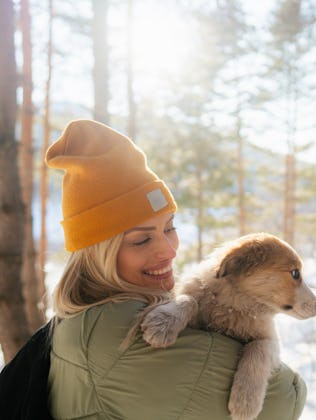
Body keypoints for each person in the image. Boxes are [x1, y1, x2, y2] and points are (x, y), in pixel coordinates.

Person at [46, 119, 306, 420]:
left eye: (170, 227)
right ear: (97, 255)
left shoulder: (82, 318)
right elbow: (284, 397)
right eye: (142, 240)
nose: (170, 250)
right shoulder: (123, 336)